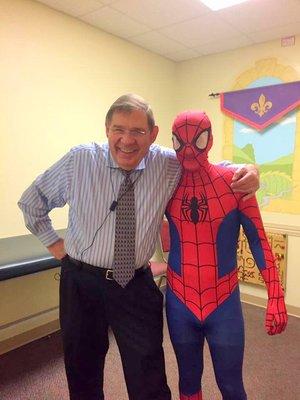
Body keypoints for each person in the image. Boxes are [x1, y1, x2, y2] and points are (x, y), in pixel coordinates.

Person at [18, 94, 259, 400]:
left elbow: (213, 169)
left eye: (137, 131)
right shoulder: (80, 161)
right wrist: (55, 245)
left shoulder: (167, 164)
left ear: (153, 134)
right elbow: (31, 202)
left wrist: (251, 169)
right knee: (82, 369)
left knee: (148, 373)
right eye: (119, 129)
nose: (126, 140)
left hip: (134, 285)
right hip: (81, 283)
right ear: (107, 129)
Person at [165, 110, 288, 400]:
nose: (188, 150)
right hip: (178, 300)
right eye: (179, 143)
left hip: (224, 303)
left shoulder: (235, 182)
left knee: (231, 386)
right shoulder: (165, 182)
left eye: (197, 140)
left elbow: (258, 240)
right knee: (187, 383)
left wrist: (276, 294)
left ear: (209, 140)